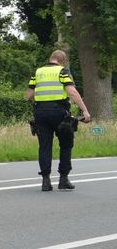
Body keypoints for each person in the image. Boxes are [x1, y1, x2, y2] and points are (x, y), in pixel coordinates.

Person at [26, 50, 91, 191]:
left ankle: (45, 181)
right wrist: (85, 111)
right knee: (66, 144)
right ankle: (63, 179)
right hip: (59, 112)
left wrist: (41, 103)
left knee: (44, 146)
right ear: (63, 61)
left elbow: (29, 94)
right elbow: (72, 92)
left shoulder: (37, 72)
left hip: (40, 113)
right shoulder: (63, 71)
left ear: (51, 59)